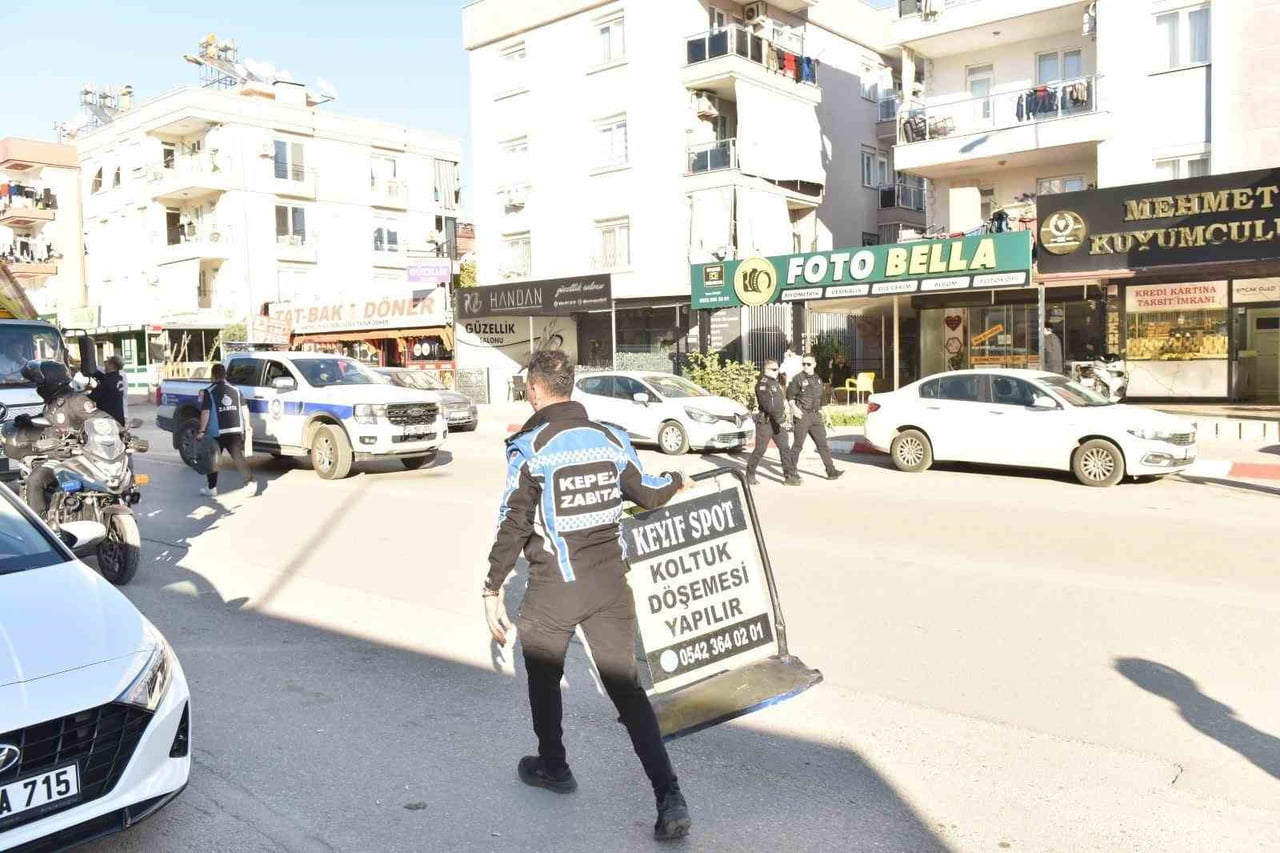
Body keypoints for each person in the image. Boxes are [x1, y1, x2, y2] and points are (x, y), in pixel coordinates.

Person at [484, 349, 693, 841]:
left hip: (557, 586)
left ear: (535, 390)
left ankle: (554, 765)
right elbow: (647, 492)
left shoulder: (529, 447)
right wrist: (678, 480)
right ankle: (669, 795)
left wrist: (492, 588)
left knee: (542, 674)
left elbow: (512, 525)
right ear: (570, 387)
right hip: (608, 585)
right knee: (627, 688)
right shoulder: (611, 438)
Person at [196, 362, 254, 497]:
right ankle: (250, 483)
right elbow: (245, 410)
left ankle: (212, 488)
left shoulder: (209, 391)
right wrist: (247, 426)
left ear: (213, 375)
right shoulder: (236, 390)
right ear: (225, 375)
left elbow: (206, 412)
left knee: (213, 459)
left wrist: (201, 431)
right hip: (235, 430)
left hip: (217, 432)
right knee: (238, 457)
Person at [787, 354, 843, 481]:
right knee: (798, 445)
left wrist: (827, 416)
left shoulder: (818, 379)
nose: (806, 366)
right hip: (803, 415)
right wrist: (794, 409)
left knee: (823, 444)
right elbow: (790, 396)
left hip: (816, 415)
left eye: (808, 364)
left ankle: (831, 471)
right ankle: (790, 473)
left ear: (814, 364)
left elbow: (821, 399)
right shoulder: (798, 379)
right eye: (804, 364)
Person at [745, 359, 799, 487]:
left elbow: (779, 403)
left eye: (777, 369)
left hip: (778, 421)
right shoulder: (762, 385)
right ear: (766, 370)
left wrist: (782, 418)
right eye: (774, 369)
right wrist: (780, 420)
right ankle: (749, 474)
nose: (777, 372)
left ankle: (789, 476)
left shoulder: (775, 382)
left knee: (785, 448)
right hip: (766, 422)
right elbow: (768, 405)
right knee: (760, 450)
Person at [89, 355, 128, 425]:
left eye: (106, 362)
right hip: (118, 418)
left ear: (112, 365)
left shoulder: (108, 381)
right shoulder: (118, 377)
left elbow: (93, 396)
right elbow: (102, 376)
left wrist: (79, 396)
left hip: (108, 419)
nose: (105, 364)